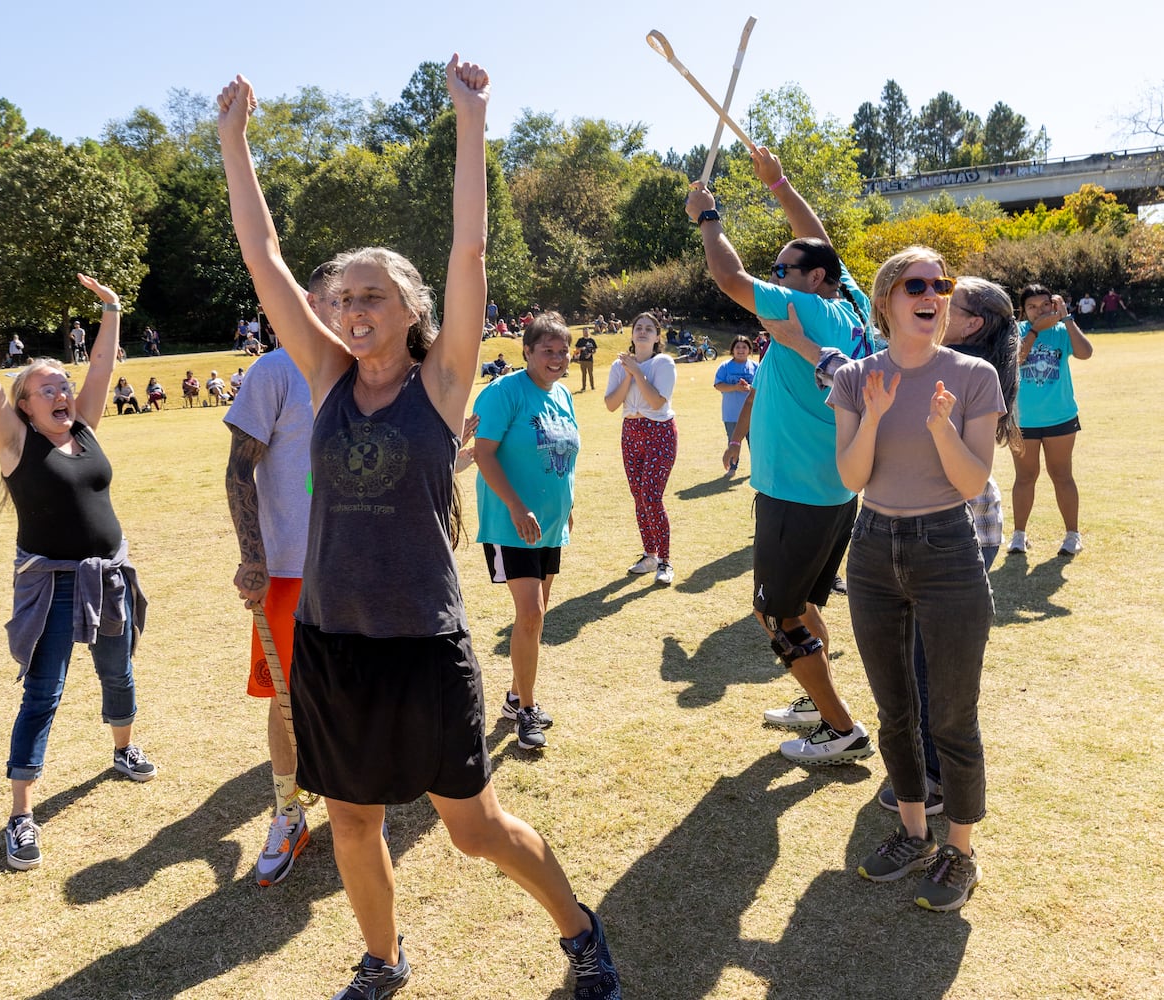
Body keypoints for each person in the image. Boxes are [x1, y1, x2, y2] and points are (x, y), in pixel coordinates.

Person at [219, 57, 620, 1000]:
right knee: (353, 823)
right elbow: (261, 258)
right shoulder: (319, 380)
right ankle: (382, 958)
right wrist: (234, 144)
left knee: (473, 826)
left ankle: (578, 930)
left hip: (422, 644)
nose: (351, 311)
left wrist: (470, 125)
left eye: (371, 298)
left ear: (412, 313)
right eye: (342, 299)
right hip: (331, 643)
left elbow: (468, 254)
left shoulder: (441, 388)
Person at [686, 144, 877, 767]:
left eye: (786, 269)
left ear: (811, 279)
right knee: (803, 604)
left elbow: (729, 279)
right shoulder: (849, 306)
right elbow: (817, 241)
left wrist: (707, 219)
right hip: (830, 488)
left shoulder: (805, 306)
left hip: (798, 491)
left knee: (773, 613)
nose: (779, 275)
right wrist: (779, 185)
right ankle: (814, 702)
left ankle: (840, 727)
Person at [828, 247, 1004, 912]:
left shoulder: (972, 376)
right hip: (872, 550)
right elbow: (850, 477)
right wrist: (873, 415)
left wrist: (938, 425)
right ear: (886, 300)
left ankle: (958, 850)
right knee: (895, 712)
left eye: (941, 284)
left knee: (950, 715)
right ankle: (911, 833)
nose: (932, 294)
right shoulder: (853, 378)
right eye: (916, 284)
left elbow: (971, 481)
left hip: (946, 550)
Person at [0, 269, 156, 873]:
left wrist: (111, 310)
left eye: (62, 384)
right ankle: (21, 813)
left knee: (118, 673)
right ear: (23, 405)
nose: (61, 392)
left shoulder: (86, 429)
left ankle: (122, 751)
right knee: (44, 694)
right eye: (46, 388)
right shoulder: (16, 444)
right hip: (52, 582)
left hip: (107, 573)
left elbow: (100, 367)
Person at [876, 275, 1020, 818]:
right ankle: (927, 768)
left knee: (929, 665)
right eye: (914, 290)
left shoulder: (961, 374)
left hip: (958, 531)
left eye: (945, 297)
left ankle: (933, 777)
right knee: (919, 658)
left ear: (972, 323)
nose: (929, 301)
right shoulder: (946, 362)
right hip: (964, 528)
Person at [223, 260, 340, 889]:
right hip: (291, 569)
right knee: (287, 697)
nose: (345, 311)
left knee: (356, 683)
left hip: (357, 565)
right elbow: (239, 470)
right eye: (332, 298)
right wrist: (252, 556)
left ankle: (352, 794)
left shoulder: (365, 367)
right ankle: (288, 809)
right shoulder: (274, 371)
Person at [471, 312, 579, 751]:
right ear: (527, 352)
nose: (556, 358)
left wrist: (569, 506)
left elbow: (565, 455)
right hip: (511, 523)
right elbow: (483, 454)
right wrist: (516, 506)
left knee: (535, 616)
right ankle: (527, 710)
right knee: (531, 613)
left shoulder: (564, 394)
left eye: (562, 350)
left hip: (550, 524)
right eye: (547, 350)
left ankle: (517, 695)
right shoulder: (503, 392)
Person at [1008, 284, 1095, 557]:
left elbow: (1085, 352)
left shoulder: (1062, 330)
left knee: (1061, 475)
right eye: (1032, 307)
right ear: (1023, 311)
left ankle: (1072, 536)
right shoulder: (1017, 332)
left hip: (1060, 415)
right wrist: (1034, 331)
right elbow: (1015, 361)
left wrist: (1067, 318)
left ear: (1054, 304)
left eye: (1045, 304)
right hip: (1024, 420)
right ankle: (1019, 536)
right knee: (1025, 477)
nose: (1039, 311)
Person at [604, 312, 678, 586]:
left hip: (659, 432)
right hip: (631, 433)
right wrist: (627, 373)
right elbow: (612, 404)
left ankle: (665, 561)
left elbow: (657, 402)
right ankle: (649, 555)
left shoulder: (663, 363)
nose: (643, 332)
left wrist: (636, 371)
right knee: (639, 496)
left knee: (651, 495)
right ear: (632, 334)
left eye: (649, 329)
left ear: (658, 336)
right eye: (638, 328)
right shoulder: (618, 365)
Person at [714, 334, 758, 476]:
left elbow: (762, 388)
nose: (740, 350)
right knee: (733, 442)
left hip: (753, 413)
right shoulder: (725, 366)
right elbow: (718, 385)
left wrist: (749, 388)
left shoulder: (755, 366)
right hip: (731, 413)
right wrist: (735, 387)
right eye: (737, 347)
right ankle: (732, 468)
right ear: (732, 350)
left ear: (749, 350)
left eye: (744, 347)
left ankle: (757, 469)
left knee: (756, 443)